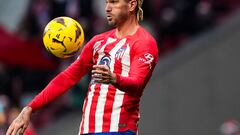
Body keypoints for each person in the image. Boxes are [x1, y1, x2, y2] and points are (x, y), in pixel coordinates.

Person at [6, 0, 159, 135]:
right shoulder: (98, 42)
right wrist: (30, 108)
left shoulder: (144, 43)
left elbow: (137, 84)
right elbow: (66, 78)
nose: (107, 8)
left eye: (114, 2)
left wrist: (114, 79)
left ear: (132, 5)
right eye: (106, 2)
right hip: (87, 129)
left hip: (118, 129)